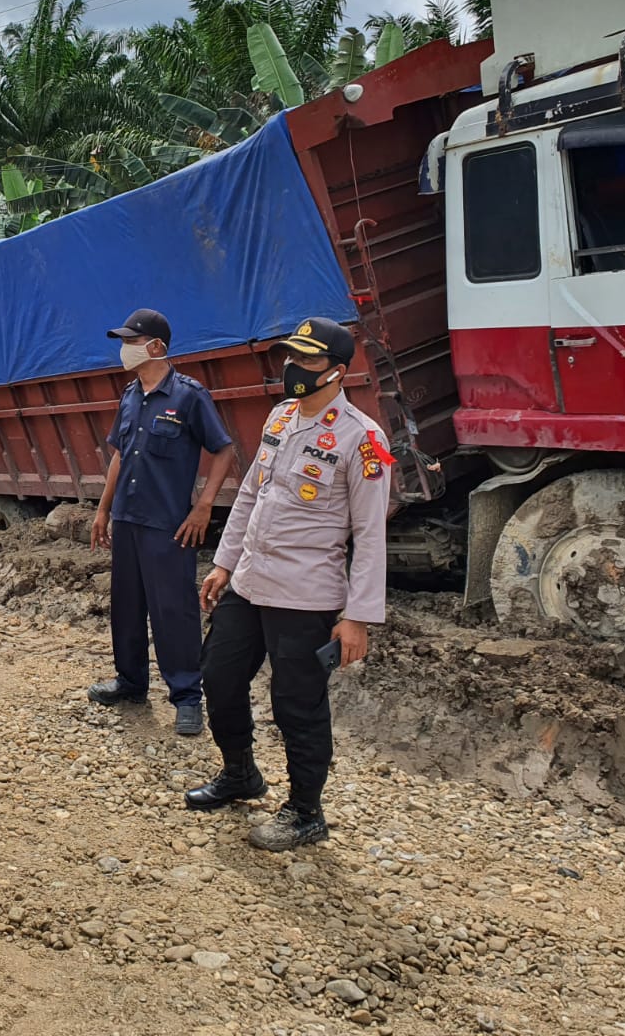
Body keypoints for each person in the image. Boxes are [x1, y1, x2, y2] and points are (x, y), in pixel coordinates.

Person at [186, 317, 389, 852]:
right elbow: (251, 495)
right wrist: (224, 564)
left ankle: (305, 811)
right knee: (218, 677)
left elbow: (370, 536)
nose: (293, 370)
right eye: (290, 358)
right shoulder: (279, 419)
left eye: (307, 362)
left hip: (306, 595)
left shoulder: (362, 439)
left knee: (295, 703)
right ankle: (240, 774)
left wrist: (358, 616)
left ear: (338, 372)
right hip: (250, 582)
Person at [87, 308, 234, 736]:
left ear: (156, 347)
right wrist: (103, 508)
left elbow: (223, 451)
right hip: (128, 519)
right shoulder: (130, 395)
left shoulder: (188, 396)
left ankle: (187, 696)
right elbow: (119, 453)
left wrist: (204, 506)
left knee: (174, 611)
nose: (125, 349)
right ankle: (131, 682)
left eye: (132, 341)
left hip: (169, 524)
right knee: (127, 607)